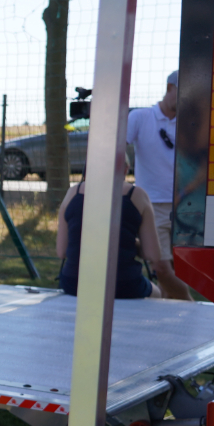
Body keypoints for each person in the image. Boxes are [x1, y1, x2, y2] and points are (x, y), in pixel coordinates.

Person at [126, 71, 191, 300]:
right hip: (154, 206)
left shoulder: (190, 122)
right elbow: (115, 144)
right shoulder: (141, 118)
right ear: (169, 87)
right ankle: (193, 312)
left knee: (185, 269)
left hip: (187, 205)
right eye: (182, 93)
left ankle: (168, 315)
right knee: (161, 268)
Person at [56, 180, 162, 299]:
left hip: (74, 283)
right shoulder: (137, 195)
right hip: (124, 283)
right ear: (125, 168)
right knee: (157, 293)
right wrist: (131, 243)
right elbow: (153, 254)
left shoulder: (72, 193)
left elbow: (61, 252)